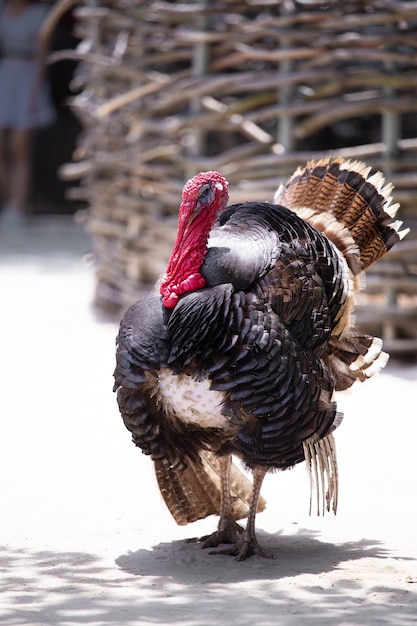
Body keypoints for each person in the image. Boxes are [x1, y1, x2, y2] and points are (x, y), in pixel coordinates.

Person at [0, 0, 55, 227]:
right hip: (5, 77)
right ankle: (10, 199)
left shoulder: (39, 13)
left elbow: (42, 53)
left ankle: (18, 206)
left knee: (19, 149)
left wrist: (35, 92)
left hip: (28, 78)